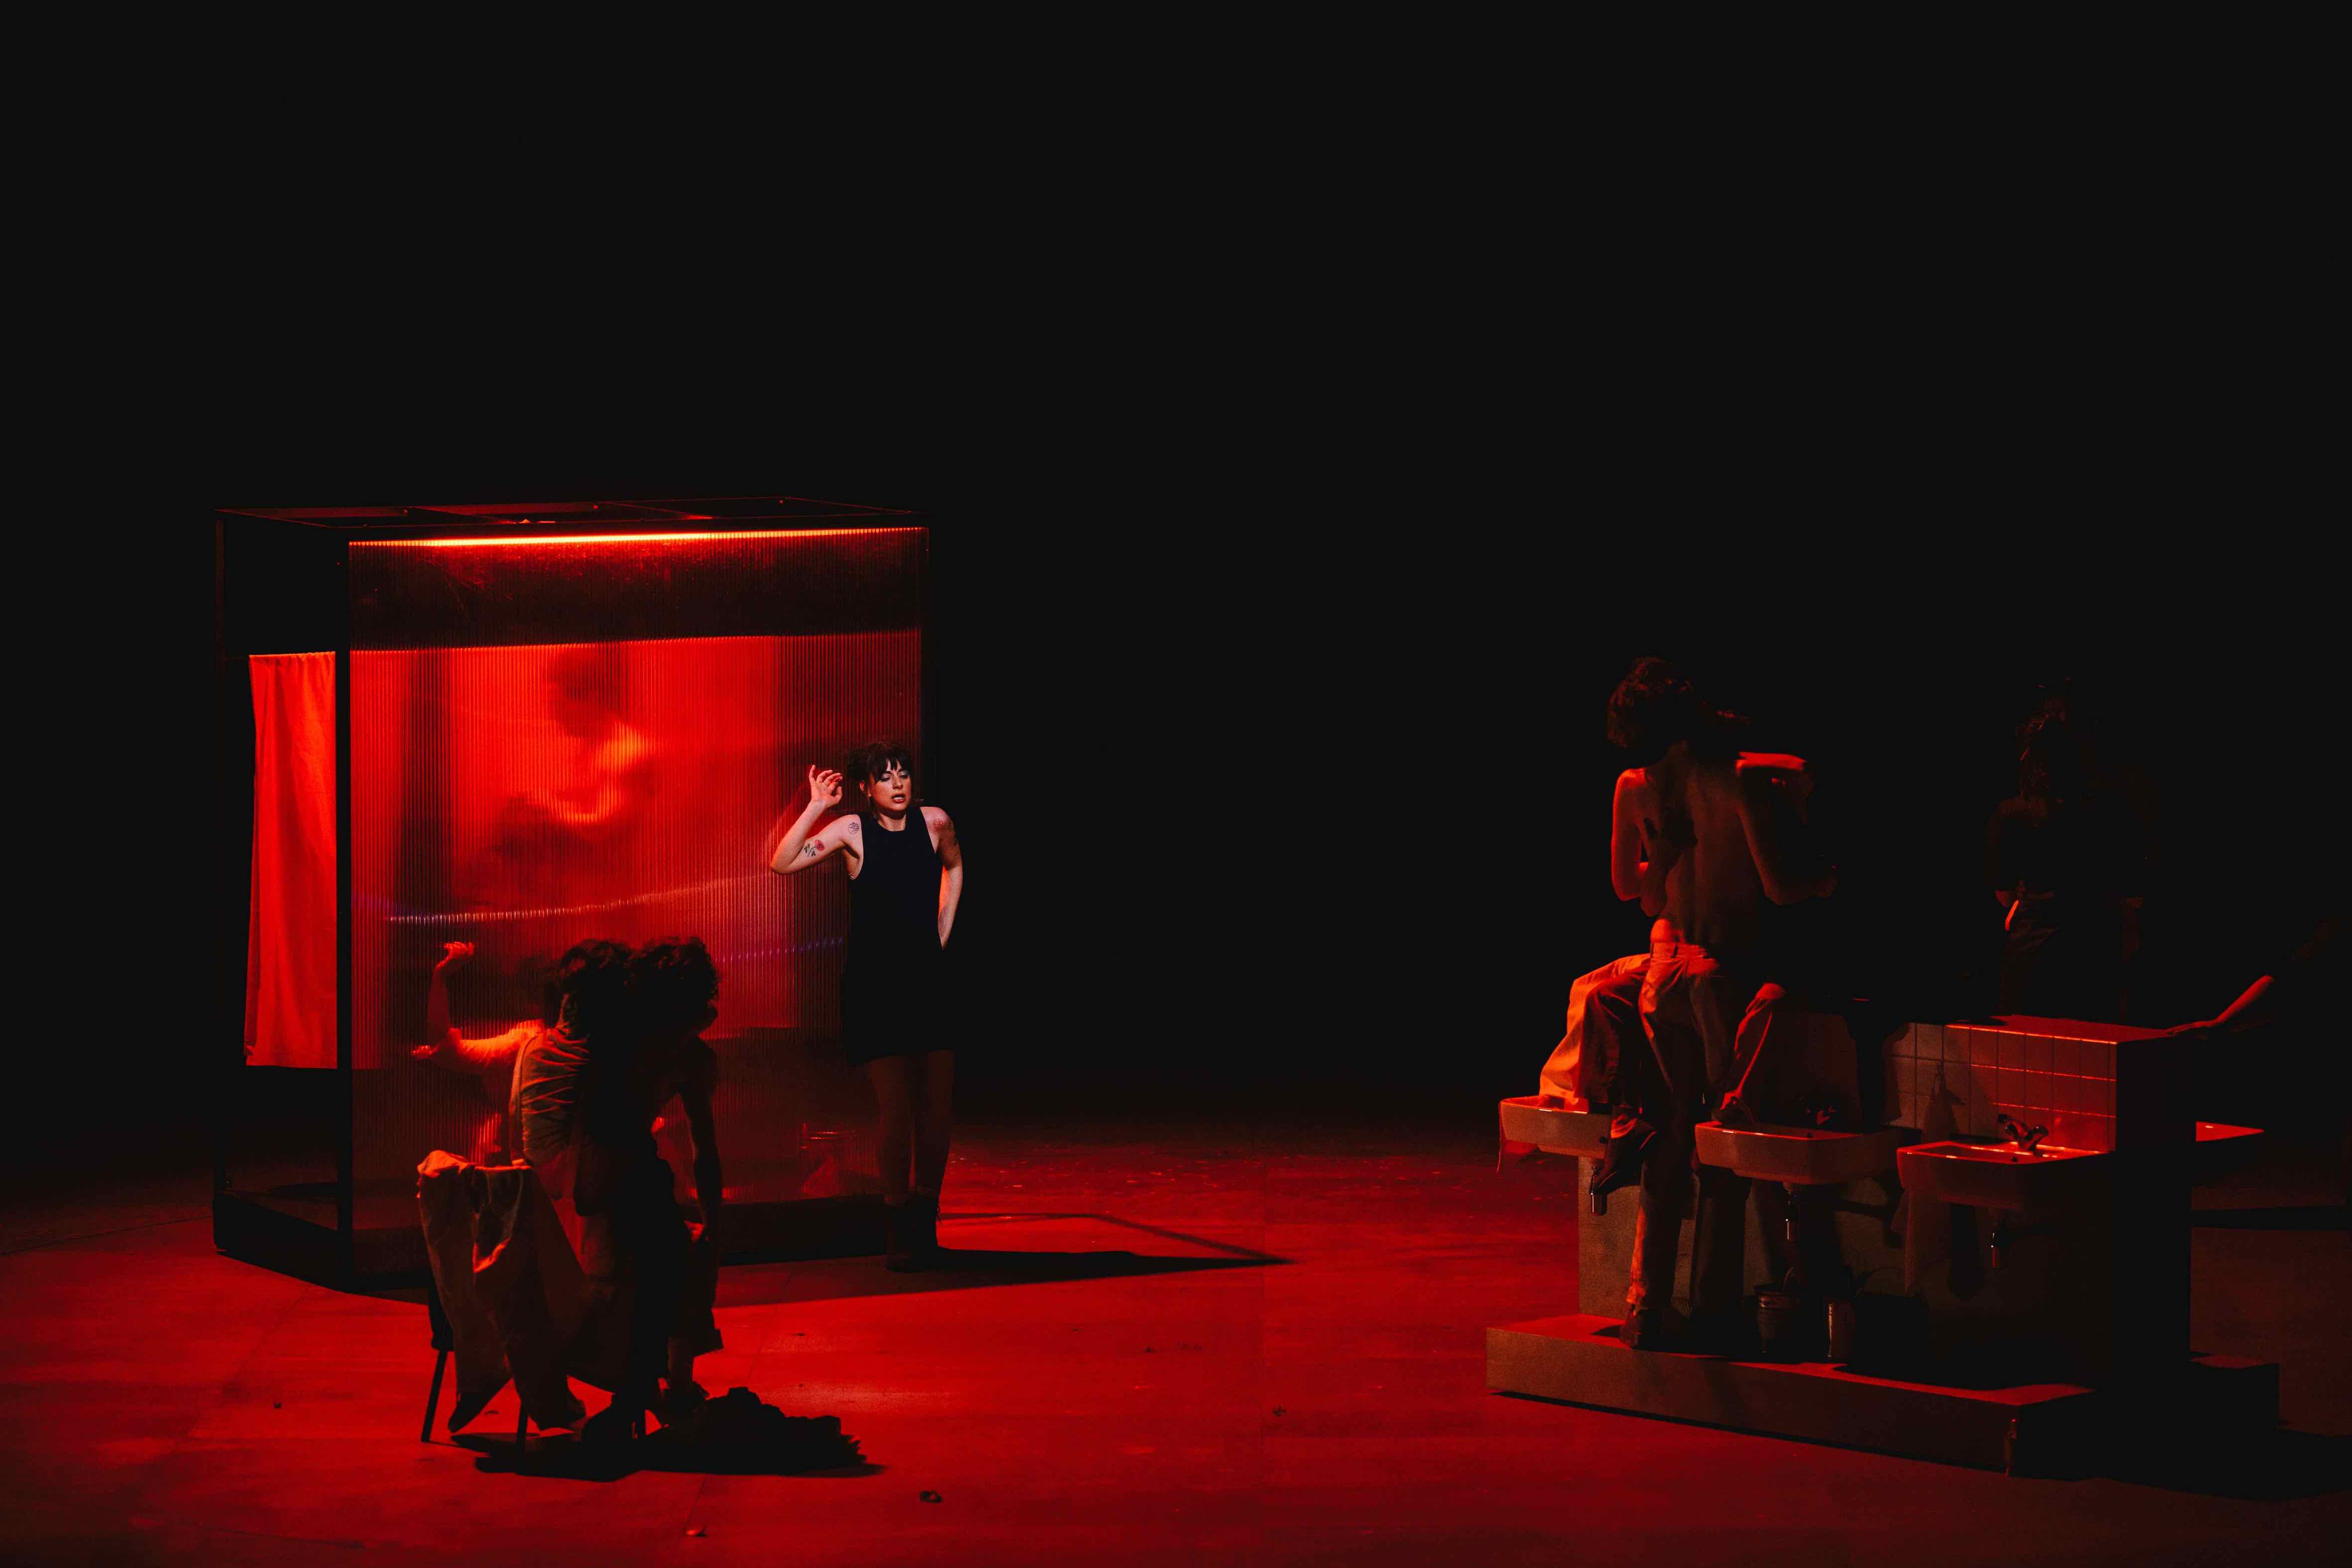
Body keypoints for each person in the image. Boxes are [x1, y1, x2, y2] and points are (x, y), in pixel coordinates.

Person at [1603, 658, 1837, 1348]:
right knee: (1724, 1147)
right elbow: (1779, 887)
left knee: (1668, 1139)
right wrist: (1827, 878)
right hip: (1722, 976)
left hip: (1664, 976)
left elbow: (1626, 889)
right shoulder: (1734, 780)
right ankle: (1716, 1306)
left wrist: (1662, 862)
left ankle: (1645, 1302)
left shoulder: (1634, 786)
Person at [769, 742, 964, 1270]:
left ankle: (925, 1214)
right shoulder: (852, 831)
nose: (897, 785)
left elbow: (954, 866)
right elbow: (781, 862)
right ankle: (897, 1220)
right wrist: (816, 807)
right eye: (885, 777)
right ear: (865, 788)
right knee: (896, 1109)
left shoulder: (935, 821)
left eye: (903, 775)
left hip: (929, 983)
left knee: (937, 1106)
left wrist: (942, 929)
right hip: (876, 987)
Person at [1986, 693, 2143, 1021]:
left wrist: (2026, 901)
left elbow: (2003, 894)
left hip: (2031, 952)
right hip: (2093, 953)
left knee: (2027, 1047)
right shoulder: (2108, 811)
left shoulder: (2012, 813)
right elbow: (2132, 892)